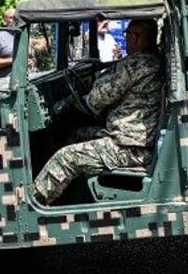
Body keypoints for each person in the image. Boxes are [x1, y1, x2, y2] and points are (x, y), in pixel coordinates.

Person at [32, 18, 163, 205]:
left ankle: (31, 205)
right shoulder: (151, 60)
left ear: (137, 38)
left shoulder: (136, 64)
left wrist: (70, 102)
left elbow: (96, 99)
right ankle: (70, 196)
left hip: (129, 147)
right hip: (132, 140)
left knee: (65, 157)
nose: (126, 39)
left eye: (129, 35)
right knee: (76, 135)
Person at [0, 8, 16, 82]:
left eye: (16, 17)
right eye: (11, 17)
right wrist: (14, 60)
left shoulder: (23, 36)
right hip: (5, 82)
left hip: (27, 80)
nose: (15, 20)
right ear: (5, 21)